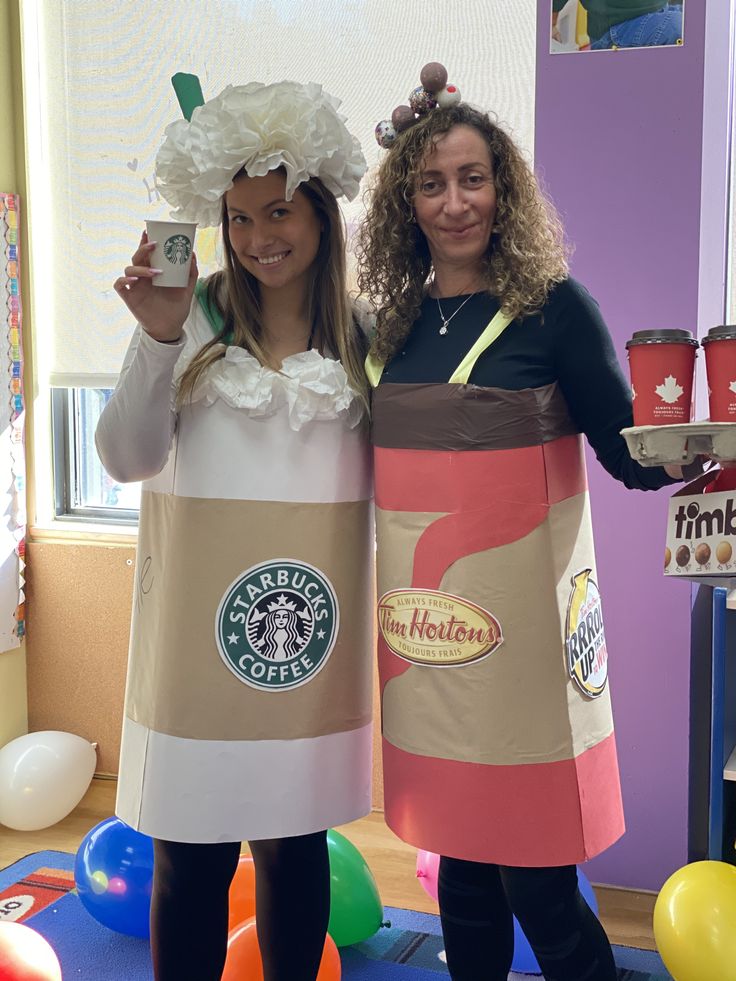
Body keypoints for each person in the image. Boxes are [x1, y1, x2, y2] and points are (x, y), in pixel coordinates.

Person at [357, 66, 696, 981]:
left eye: (473, 178)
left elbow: (626, 454)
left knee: (539, 883)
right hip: (427, 651)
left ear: (502, 189)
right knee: (461, 876)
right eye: (431, 183)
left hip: (526, 664)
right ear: (407, 202)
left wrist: (700, 453)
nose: (455, 201)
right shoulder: (386, 325)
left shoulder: (554, 309)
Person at [96, 78, 373, 981]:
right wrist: (160, 336)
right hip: (193, 646)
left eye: (281, 211)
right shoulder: (192, 314)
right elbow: (126, 456)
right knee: (193, 859)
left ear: (322, 215)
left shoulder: (364, 337)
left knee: (294, 855)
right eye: (241, 217)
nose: (261, 238)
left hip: (305, 642)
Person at [552, 0, 683, 50]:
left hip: (660, 13)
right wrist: (551, 26)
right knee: (681, 29)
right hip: (617, 31)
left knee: (697, 20)